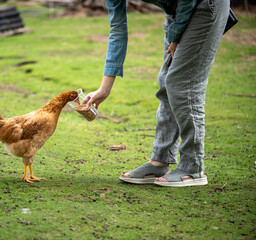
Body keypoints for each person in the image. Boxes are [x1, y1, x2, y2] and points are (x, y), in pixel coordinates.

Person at [83, 0, 230, 187]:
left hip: (204, 5)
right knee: (167, 83)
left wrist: (176, 36)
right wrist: (104, 88)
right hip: (176, 12)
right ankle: (160, 161)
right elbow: (117, 30)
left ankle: (193, 167)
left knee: (182, 83)